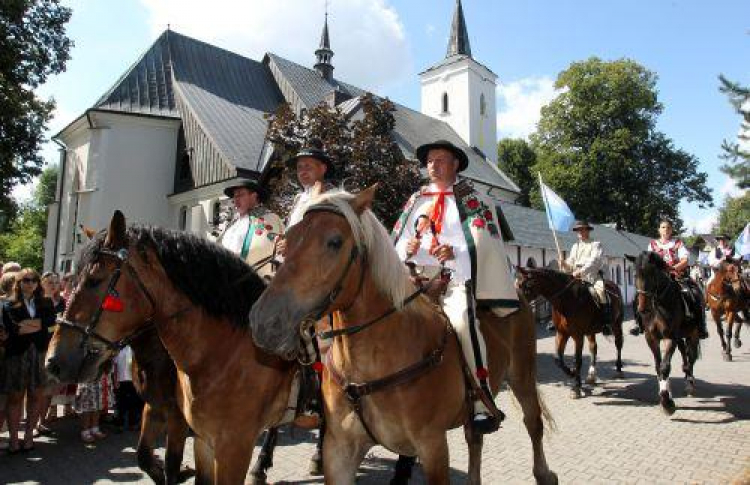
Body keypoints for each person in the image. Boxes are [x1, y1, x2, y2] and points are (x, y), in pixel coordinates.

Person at [392, 140, 519, 434]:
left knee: (464, 321)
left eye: (440, 160)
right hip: (415, 278)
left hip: (455, 278)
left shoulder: (473, 199)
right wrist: (407, 250)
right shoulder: (416, 200)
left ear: (456, 165)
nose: (433, 165)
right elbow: (396, 245)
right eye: (429, 161)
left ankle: (480, 398)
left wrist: (455, 252)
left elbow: (484, 243)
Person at [276, 142, 337, 425]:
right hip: (292, 274)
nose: (302, 171)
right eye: (299, 167)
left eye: (308, 165)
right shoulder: (300, 199)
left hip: (318, 276)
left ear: (322, 168)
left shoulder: (328, 198)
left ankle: (314, 391)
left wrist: (293, 243)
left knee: (305, 328)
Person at [1, 268, 56, 453]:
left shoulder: (46, 302)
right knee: (15, 397)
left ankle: (29, 436)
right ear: (19, 282)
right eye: (26, 280)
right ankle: (14, 440)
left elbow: (50, 325)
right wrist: (37, 325)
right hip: (17, 355)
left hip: (39, 354)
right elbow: (15, 330)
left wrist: (29, 325)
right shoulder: (9, 304)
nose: (30, 283)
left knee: (36, 395)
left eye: (33, 280)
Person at [639, 220, 708, 338]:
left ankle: (700, 325)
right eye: (663, 227)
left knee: (695, 293)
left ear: (671, 230)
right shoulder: (652, 245)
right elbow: (648, 262)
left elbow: (685, 260)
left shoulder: (678, 243)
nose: (665, 229)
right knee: (641, 294)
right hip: (657, 279)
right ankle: (640, 324)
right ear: (659, 230)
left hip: (677, 275)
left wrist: (673, 269)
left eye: (668, 227)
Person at [217, 179, 283, 281]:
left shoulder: (270, 219)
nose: (236, 199)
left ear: (254, 196)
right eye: (235, 196)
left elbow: (280, 251)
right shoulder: (231, 225)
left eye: (240, 195)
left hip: (258, 283)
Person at [562, 221, 611, 332]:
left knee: (601, 291)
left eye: (582, 229)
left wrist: (581, 271)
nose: (580, 231)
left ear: (588, 230)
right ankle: (559, 318)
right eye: (578, 230)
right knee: (562, 291)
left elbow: (594, 261)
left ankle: (606, 321)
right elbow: (571, 261)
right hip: (575, 277)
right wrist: (565, 263)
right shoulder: (575, 246)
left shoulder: (596, 244)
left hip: (592, 276)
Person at [112, 346, 143, 432]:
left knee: (133, 403)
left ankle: (132, 424)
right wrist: (115, 380)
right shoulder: (118, 350)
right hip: (121, 380)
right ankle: (120, 425)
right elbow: (115, 366)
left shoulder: (134, 349)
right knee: (121, 404)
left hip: (133, 380)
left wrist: (137, 382)